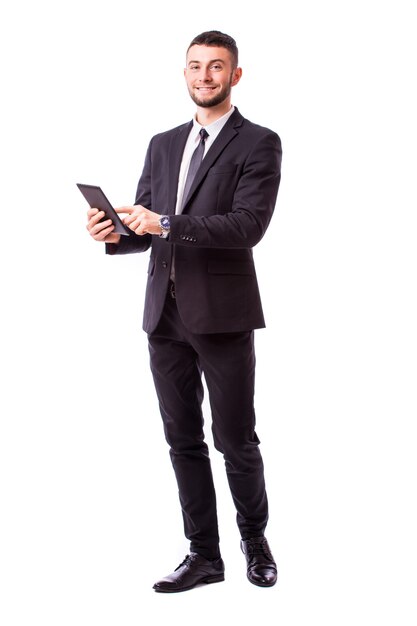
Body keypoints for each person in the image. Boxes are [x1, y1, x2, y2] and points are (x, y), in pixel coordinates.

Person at [86, 30, 282, 593]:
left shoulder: (259, 143)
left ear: (235, 75)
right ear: (185, 73)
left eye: (216, 67)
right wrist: (114, 232)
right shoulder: (163, 143)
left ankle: (255, 541)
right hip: (163, 316)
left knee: (236, 439)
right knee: (182, 440)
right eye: (195, 66)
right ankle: (203, 554)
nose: (204, 76)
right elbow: (143, 229)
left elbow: (249, 226)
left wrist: (166, 223)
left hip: (222, 314)